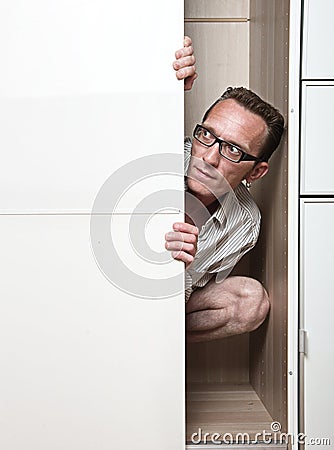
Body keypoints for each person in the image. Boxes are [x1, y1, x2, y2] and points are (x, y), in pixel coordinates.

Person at [165, 37, 285, 343]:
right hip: (103, 276)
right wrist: (164, 87)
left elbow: (188, 297)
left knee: (251, 301)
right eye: (207, 135)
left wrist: (182, 265)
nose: (209, 157)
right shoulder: (161, 153)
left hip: (166, 301)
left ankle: (159, 350)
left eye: (232, 150)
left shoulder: (244, 224)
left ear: (256, 172)